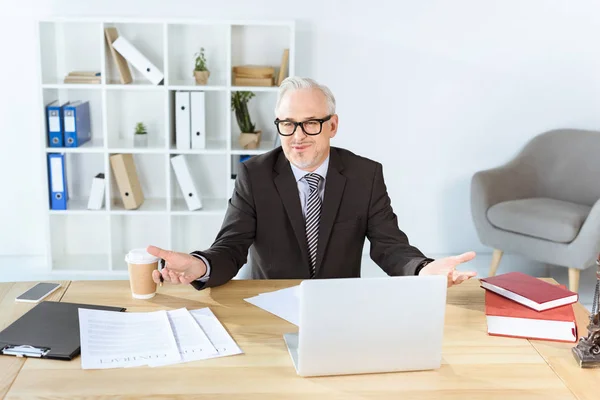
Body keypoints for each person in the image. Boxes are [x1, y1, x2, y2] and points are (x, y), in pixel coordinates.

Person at [148, 77, 477, 290]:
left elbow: (389, 246)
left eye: (311, 124)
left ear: (332, 125)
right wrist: (199, 264)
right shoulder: (255, 175)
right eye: (288, 124)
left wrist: (424, 271)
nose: (298, 137)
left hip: (338, 305)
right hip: (269, 302)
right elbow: (231, 248)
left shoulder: (365, 175)